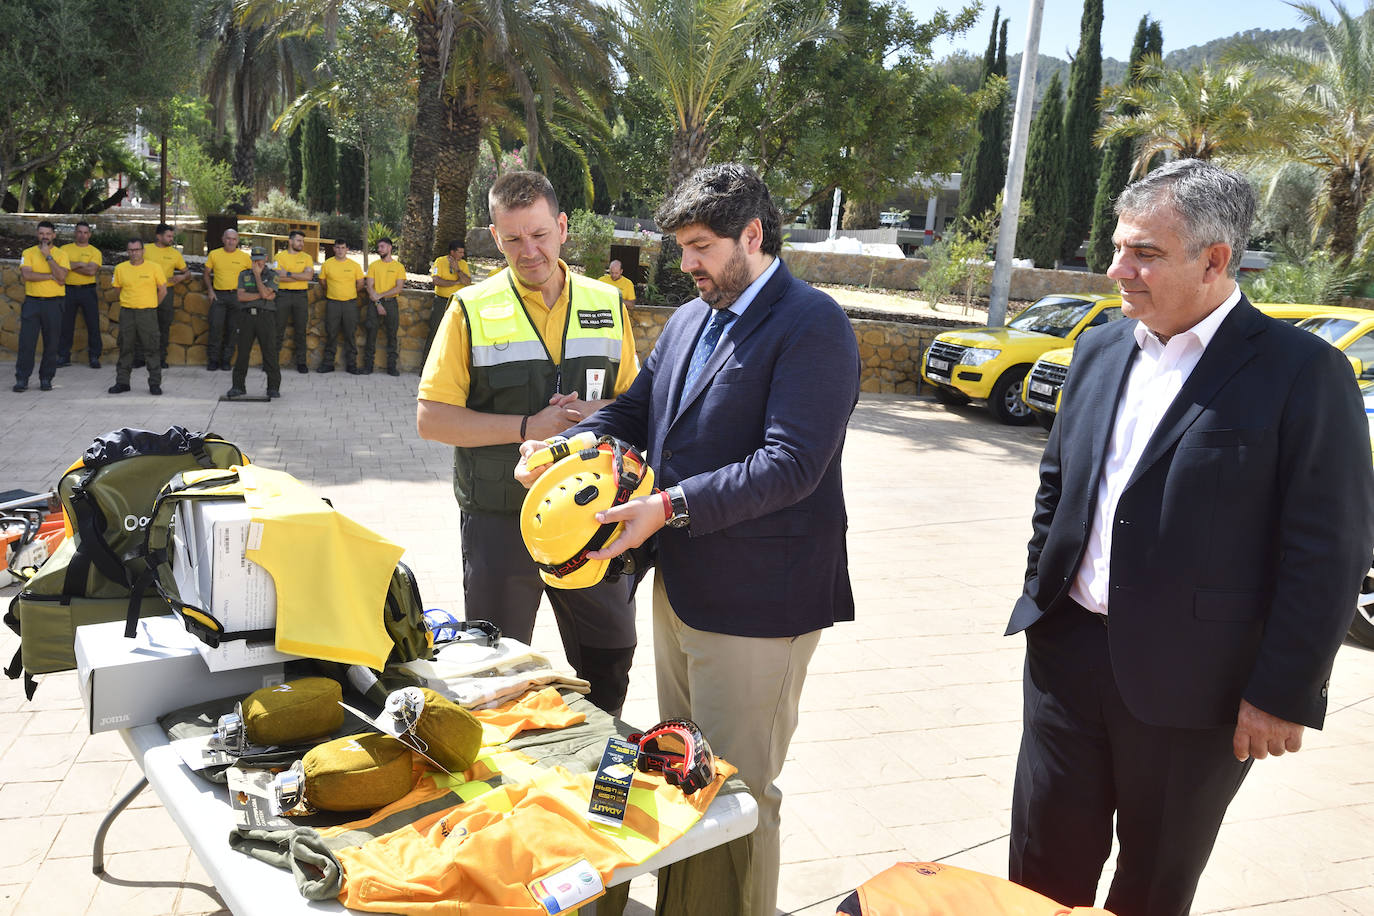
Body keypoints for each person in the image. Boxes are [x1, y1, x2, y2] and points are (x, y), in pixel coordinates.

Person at [1004, 159, 1374, 916]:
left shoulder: (1303, 373)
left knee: (1150, 889)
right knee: (1037, 874)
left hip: (1198, 690)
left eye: (1145, 253)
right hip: (1066, 661)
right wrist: (1043, 590)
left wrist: (1281, 692)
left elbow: (1329, 550)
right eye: (1117, 248)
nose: (1118, 271)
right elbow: (1059, 485)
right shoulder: (1102, 349)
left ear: (1215, 260)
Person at [516, 163, 861, 916]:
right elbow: (635, 411)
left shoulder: (814, 324)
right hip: (681, 588)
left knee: (737, 792)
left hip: (759, 605)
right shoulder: (689, 319)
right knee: (684, 775)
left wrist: (667, 506)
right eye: (681, 249)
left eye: (701, 247)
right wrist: (564, 449)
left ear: (753, 235)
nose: (687, 265)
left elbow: (792, 464)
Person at [417, 170, 641, 715]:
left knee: (609, 660)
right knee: (494, 674)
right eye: (513, 238)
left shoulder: (607, 302)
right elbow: (432, 419)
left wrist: (599, 414)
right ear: (496, 237)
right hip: (500, 520)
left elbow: (639, 406)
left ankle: (596, 757)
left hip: (594, 519)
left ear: (562, 228)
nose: (529, 250)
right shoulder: (469, 308)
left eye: (539, 234)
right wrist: (527, 427)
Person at [14, 220, 70, 392]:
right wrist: (50, 277)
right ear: (37, 234)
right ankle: (22, 379)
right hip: (32, 302)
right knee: (26, 343)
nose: (44, 237)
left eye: (48, 233)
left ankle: (46, 378)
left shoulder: (61, 254)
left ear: (54, 235)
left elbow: (62, 277)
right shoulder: (28, 252)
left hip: (54, 303)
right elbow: (27, 275)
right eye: (41, 233)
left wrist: (48, 257)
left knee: (51, 343)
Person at [108, 239, 167, 395]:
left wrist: (152, 305)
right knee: (125, 347)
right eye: (131, 250)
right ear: (127, 251)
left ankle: (154, 384)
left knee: (151, 348)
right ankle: (122, 382)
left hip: (147, 314)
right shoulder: (120, 268)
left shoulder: (154, 267)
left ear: (143, 251)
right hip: (127, 313)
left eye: (137, 249)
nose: (134, 253)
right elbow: (117, 290)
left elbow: (163, 290)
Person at [227, 247, 281, 399]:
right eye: (255, 259)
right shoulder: (244, 274)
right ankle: (238, 386)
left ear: (266, 258)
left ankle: (273, 387)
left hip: (265, 317)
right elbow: (241, 297)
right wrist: (263, 295)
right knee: (242, 353)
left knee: (270, 352)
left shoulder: (272, 275)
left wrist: (257, 276)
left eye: (260, 259)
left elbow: (263, 294)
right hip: (246, 317)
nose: (258, 263)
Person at [143, 223, 191, 370]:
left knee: (164, 326)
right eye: (168, 236)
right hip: (145, 291)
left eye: (172, 236)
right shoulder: (145, 250)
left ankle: (161, 358)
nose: (171, 239)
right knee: (143, 324)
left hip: (166, 292)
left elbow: (187, 272)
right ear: (159, 236)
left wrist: (181, 277)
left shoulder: (175, 254)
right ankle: (139, 358)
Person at [56, 221, 103, 370]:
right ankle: (63, 356)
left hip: (88, 291)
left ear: (89, 234)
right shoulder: (64, 249)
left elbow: (91, 271)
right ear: (75, 233)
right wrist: (81, 264)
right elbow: (60, 268)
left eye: (85, 232)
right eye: (79, 232)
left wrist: (71, 265)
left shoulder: (95, 252)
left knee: (93, 324)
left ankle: (94, 357)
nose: (82, 235)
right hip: (68, 290)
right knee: (66, 324)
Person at [203, 228, 251, 371]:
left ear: (237, 241)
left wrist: (246, 293)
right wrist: (210, 290)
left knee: (233, 329)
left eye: (234, 239)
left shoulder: (244, 257)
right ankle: (213, 360)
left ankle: (226, 360)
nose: (231, 241)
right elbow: (206, 274)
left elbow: (252, 276)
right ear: (223, 239)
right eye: (228, 238)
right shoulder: (214, 254)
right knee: (215, 327)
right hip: (219, 296)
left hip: (237, 297)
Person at [317, 239, 365, 374]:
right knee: (331, 333)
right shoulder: (327, 264)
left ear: (347, 249)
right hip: (333, 303)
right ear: (334, 249)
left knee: (350, 334)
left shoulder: (354, 265)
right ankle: (328, 364)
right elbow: (322, 281)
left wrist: (349, 293)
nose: (340, 250)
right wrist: (332, 291)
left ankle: (352, 365)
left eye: (343, 248)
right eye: (337, 248)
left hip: (350, 304)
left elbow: (360, 283)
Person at [275, 229, 316, 373]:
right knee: (278, 329)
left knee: (300, 329)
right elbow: (277, 277)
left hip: (300, 296)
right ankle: (272, 362)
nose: (301, 243)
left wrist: (288, 273)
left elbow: (308, 277)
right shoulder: (279, 257)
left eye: (302, 241)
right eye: (299, 240)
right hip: (283, 295)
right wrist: (299, 276)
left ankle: (301, 363)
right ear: (290, 241)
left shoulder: (307, 257)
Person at [363, 238, 406, 376]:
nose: (379, 249)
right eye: (378, 247)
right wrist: (378, 303)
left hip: (391, 303)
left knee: (392, 335)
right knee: (371, 334)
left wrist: (380, 296)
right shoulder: (374, 266)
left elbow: (398, 288)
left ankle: (391, 367)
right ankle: (368, 366)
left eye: (382, 247)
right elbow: (369, 286)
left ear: (390, 247)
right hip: (374, 304)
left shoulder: (399, 267)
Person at [424, 240, 470, 364]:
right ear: (452, 252)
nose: (462, 255)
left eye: (463, 252)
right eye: (460, 252)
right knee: (434, 331)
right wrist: (456, 282)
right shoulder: (440, 261)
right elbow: (436, 281)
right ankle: (426, 364)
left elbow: (467, 282)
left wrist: (457, 270)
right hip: (441, 301)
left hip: (456, 303)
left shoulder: (463, 264)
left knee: (454, 334)